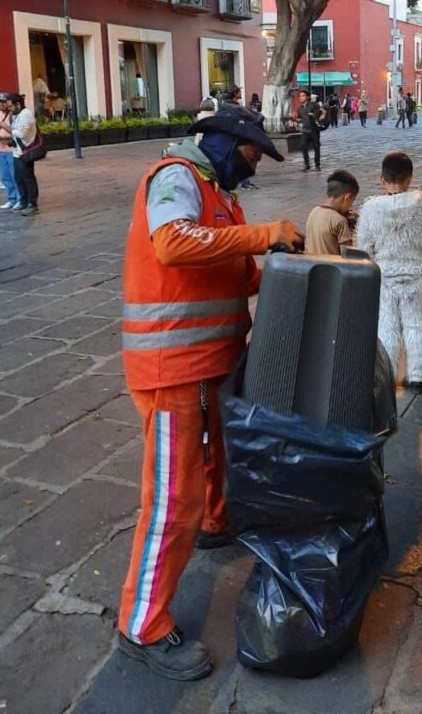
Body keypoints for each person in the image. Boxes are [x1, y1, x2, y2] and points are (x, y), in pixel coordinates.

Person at [117, 105, 303, 681]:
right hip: (174, 366)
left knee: (218, 457)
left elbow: (234, 269)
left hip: (210, 363)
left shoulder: (219, 195)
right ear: (222, 142)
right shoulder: (175, 177)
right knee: (173, 499)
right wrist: (266, 233)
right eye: (248, 157)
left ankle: (217, 525)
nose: (249, 171)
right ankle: (140, 625)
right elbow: (173, 243)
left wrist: (282, 268)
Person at [356, 151, 422, 393]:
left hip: (385, 275)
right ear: (410, 176)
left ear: (381, 178)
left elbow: (364, 246)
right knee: (416, 324)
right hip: (413, 273)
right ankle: (418, 376)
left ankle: (387, 375)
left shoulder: (370, 208)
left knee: (387, 326)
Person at [305, 169, 359, 256]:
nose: (351, 206)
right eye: (352, 202)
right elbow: (347, 256)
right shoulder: (340, 221)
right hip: (332, 268)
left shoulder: (314, 211)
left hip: (313, 265)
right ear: (347, 197)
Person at [9, 93, 39, 216]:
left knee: (28, 178)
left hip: (25, 151)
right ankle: (23, 200)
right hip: (17, 152)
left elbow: (22, 134)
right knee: (18, 178)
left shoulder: (26, 114)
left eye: (11, 106)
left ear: (18, 104)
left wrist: (9, 129)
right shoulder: (17, 115)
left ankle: (32, 203)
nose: (9, 108)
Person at [0, 92, 20, 210]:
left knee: (15, 176)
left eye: (4, 101)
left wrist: (3, 134)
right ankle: (11, 199)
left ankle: (19, 199)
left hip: (11, 149)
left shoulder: (12, 115)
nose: (2, 104)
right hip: (0, 148)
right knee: (5, 177)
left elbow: (16, 132)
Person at [297, 89, 324, 171]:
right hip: (305, 131)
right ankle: (307, 164)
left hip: (314, 130)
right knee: (303, 147)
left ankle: (317, 165)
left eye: (303, 96)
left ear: (307, 97)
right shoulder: (299, 109)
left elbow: (323, 111)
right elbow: (300, 119)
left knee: (316, 148)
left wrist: (322, 116)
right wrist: (294, 118)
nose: (301, 98)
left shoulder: (313, 105)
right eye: (300, 96)